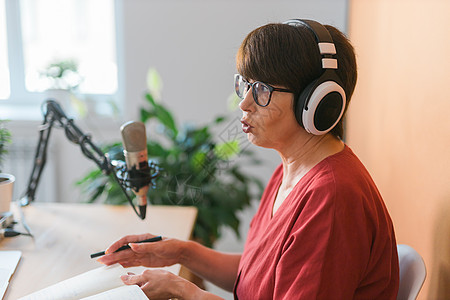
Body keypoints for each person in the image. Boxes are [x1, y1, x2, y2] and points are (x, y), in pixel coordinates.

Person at [98, 19, 399, 299]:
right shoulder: (290, 172)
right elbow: (257, 279)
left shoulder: (333, 197)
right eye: (245, 84)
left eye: (263, 89)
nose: (244, 103)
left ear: (318, 103)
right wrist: (181, 252)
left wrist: (185, 290)